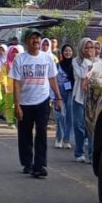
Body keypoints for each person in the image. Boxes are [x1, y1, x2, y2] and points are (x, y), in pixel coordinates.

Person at [9, 28, 62, 178]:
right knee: (25, 134)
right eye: (32, 38)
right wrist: (17, 105)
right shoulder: (20, 59)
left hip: (42, 100)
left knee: (41, 132)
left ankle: (39, 165)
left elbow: (52, 78)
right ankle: (27, 163)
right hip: (25, 102)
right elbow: (16, 84)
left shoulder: (47, 58)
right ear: (26, 41)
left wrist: (58, 98)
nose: (36, 40)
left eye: (37, 38)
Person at [71, 37, 95, 163]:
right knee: (79, 125)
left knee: (90, 126)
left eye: (91, 47)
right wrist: (87, 61)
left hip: (91, 98)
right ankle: (79, 152)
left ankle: (91, 154)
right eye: (86, 47)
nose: (89, 50)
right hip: (79, 97)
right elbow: (81, 75)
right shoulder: (76, 61)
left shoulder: (97, 62)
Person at [53, 43, 74, 149]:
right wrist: (55, 96)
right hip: (59, 93)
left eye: (69, 50)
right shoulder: (57, 65)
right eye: (66, 50)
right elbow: (54, 80)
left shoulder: (74, 65)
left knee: (69, 117)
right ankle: (59, 138)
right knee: (60, 116)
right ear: (62, 52)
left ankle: (66, 140)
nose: (68, 52)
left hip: (71, 93)